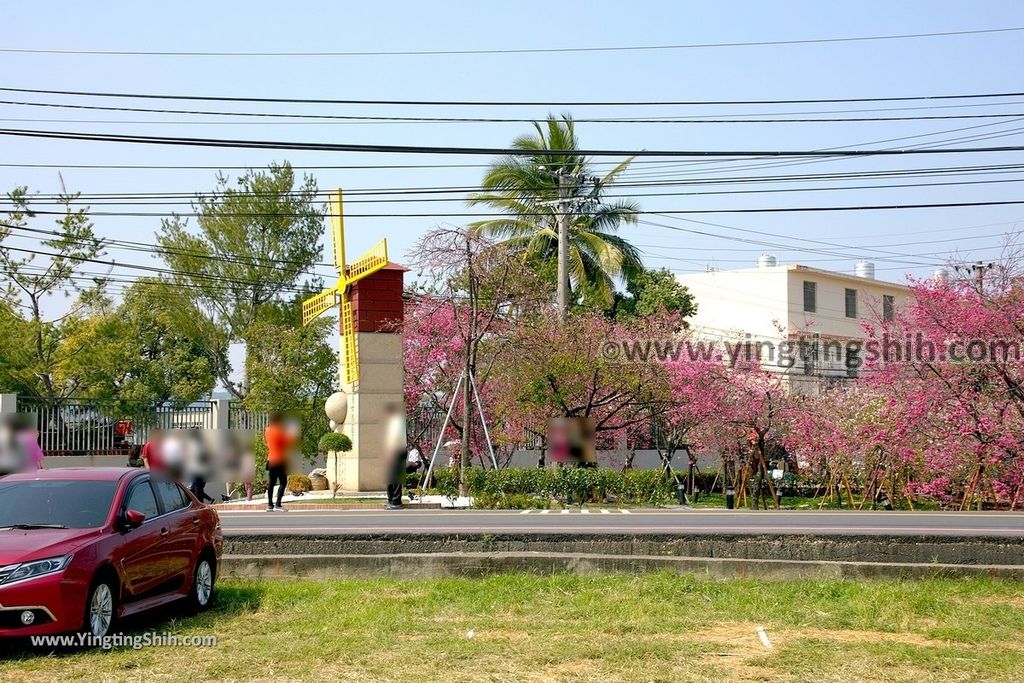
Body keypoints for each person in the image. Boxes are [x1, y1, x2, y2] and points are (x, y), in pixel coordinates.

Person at [264, 412, 296, 512]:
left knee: (271, 483)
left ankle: (269, 505)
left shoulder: (267, 430)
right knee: (283, 482)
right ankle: (278, 504)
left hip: (271, 459)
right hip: (280, 460)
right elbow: (289, 441)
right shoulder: (280, 431)